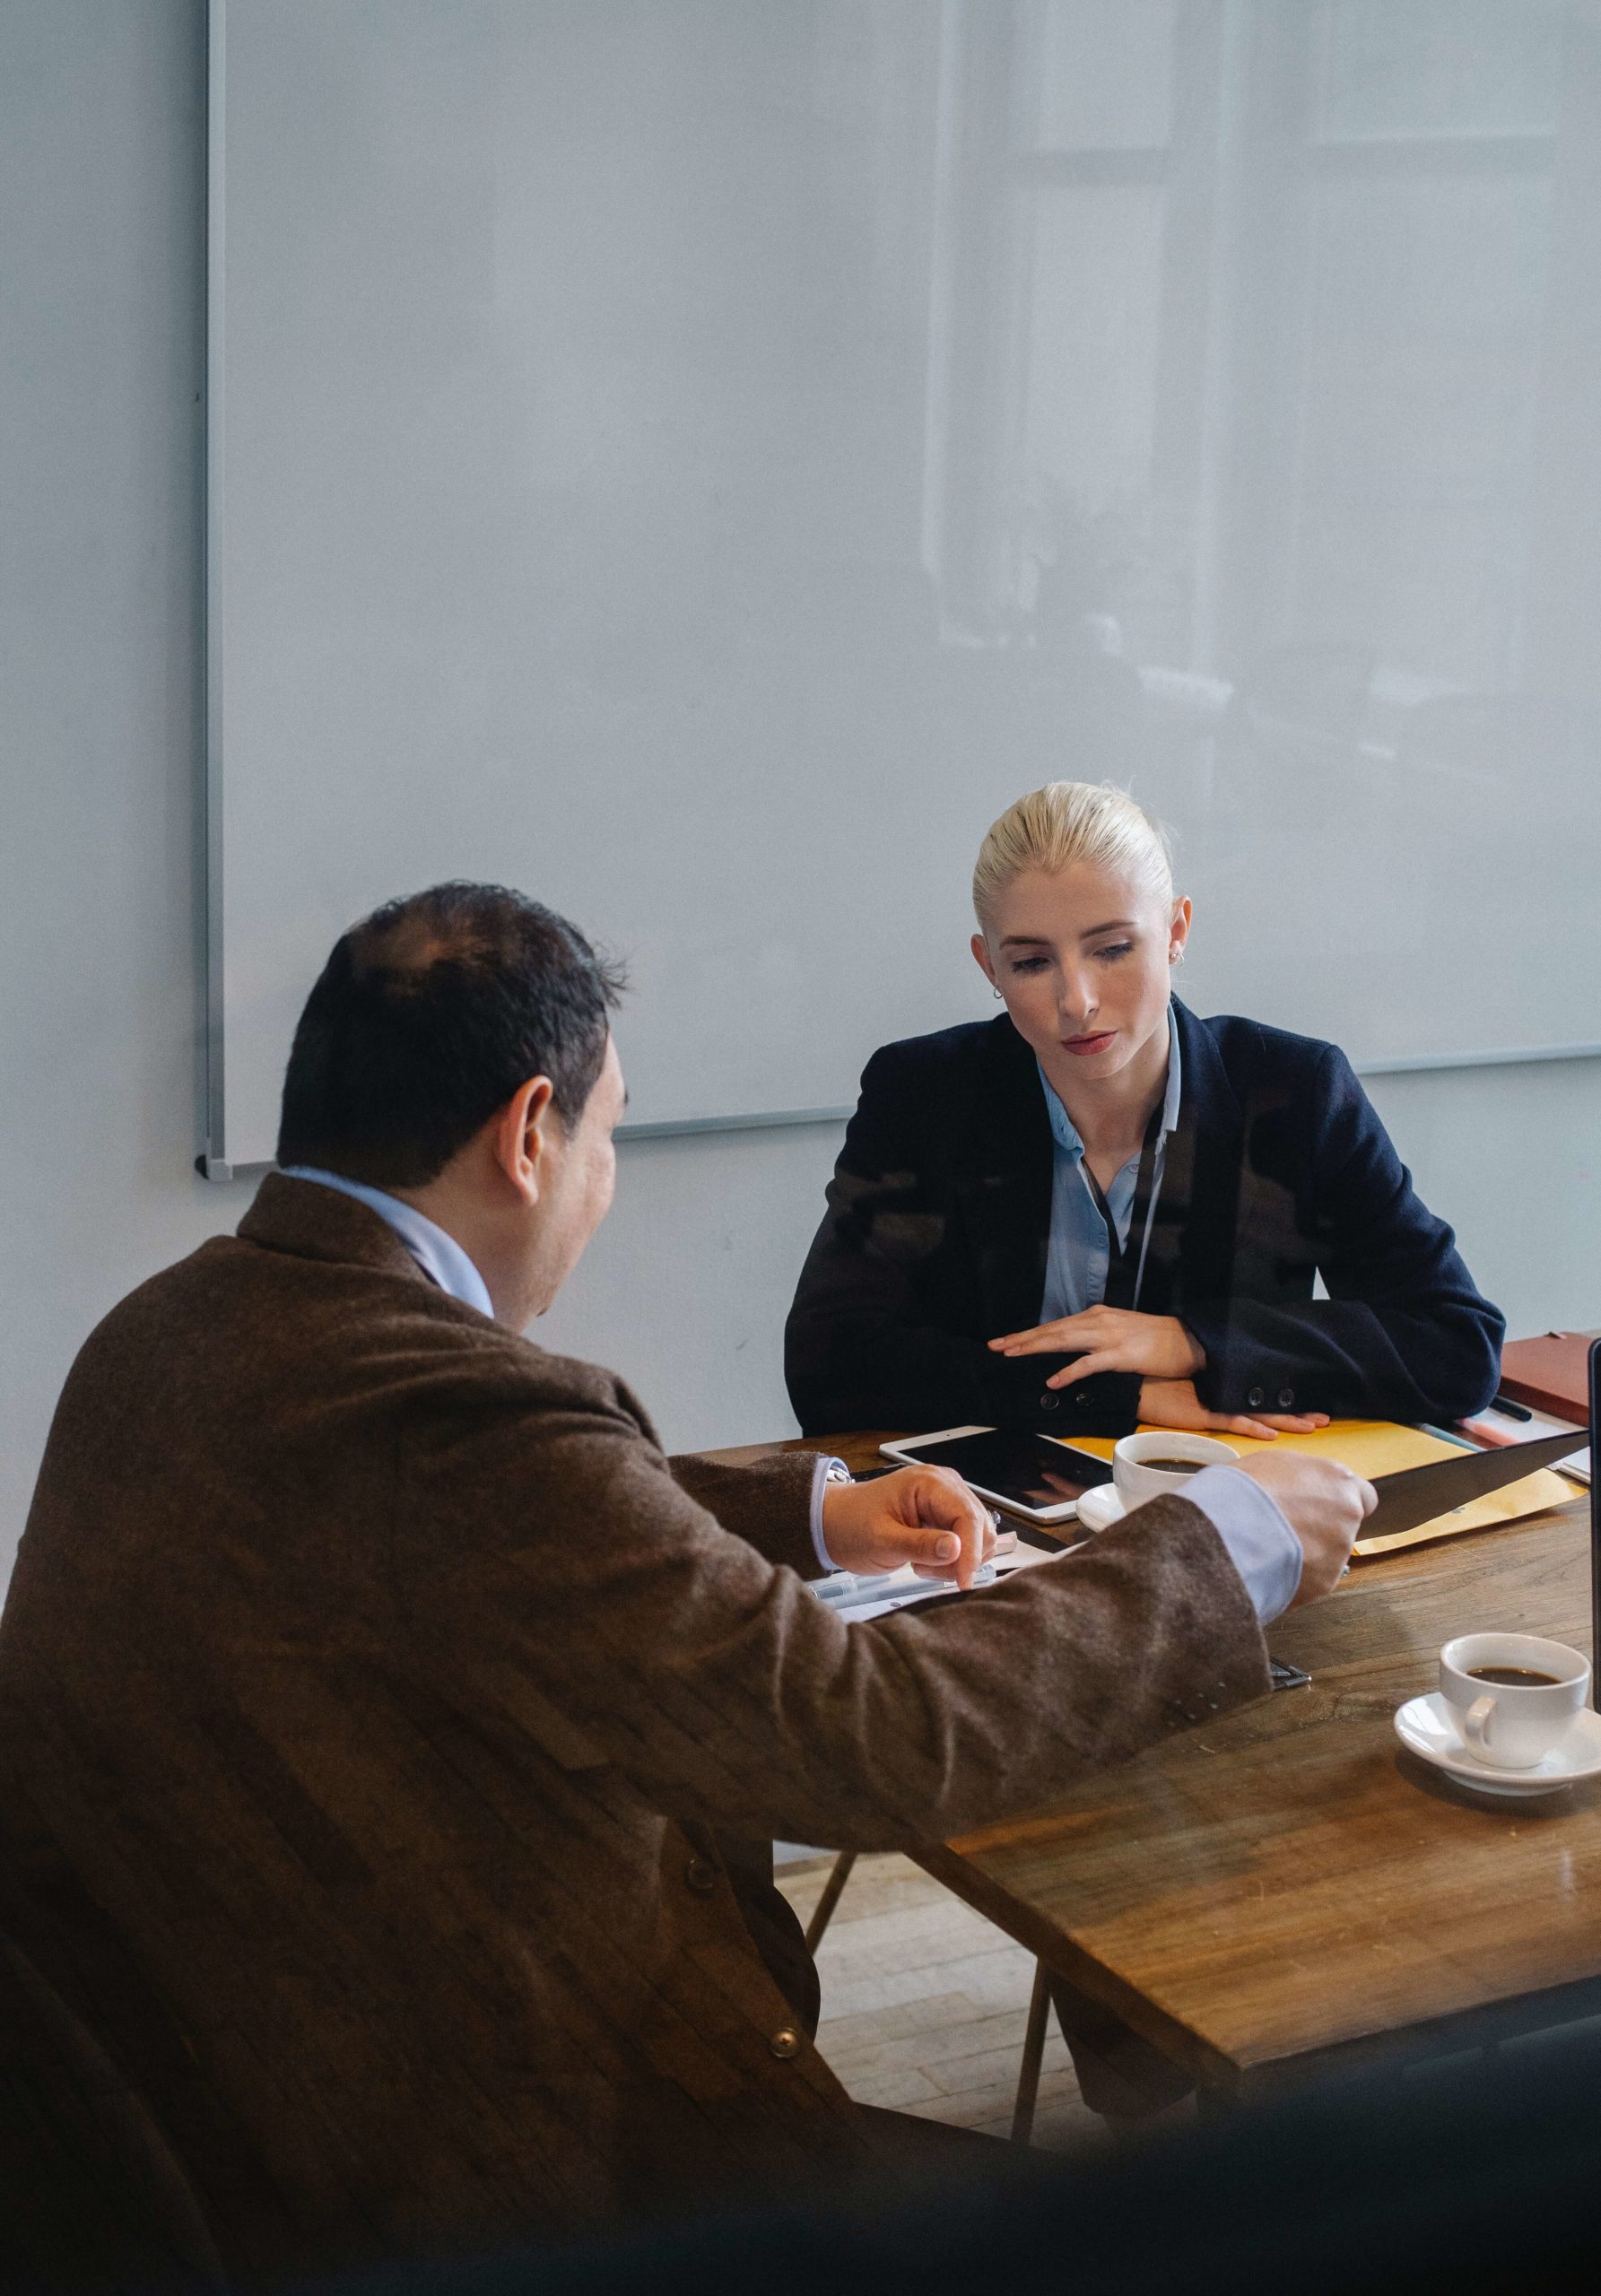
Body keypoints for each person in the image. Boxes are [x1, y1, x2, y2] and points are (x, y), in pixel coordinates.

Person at [0, 883, 1371, 2283]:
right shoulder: (471, 1431)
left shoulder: (163, 1334)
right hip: (521, 2176)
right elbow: (876, 1740)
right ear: (529, 1134)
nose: (607, 1176)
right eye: (612, 1130)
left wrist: (816, 1511)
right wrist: (1219, 1540)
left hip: (238, 2114)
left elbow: (417, 1536)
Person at [786, 780, 1502, 1445]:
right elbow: (829, 1368)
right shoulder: (925, 1092)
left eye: (1113, 948)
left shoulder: (1294, 1091)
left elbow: (1454, 1345)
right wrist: (1117, 1396)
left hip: (1224, 1501)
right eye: (1032, 962)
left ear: (1176, 931)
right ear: (989, 969)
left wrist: (1191, 1341)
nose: (1077, 1000)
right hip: (990, 1518)